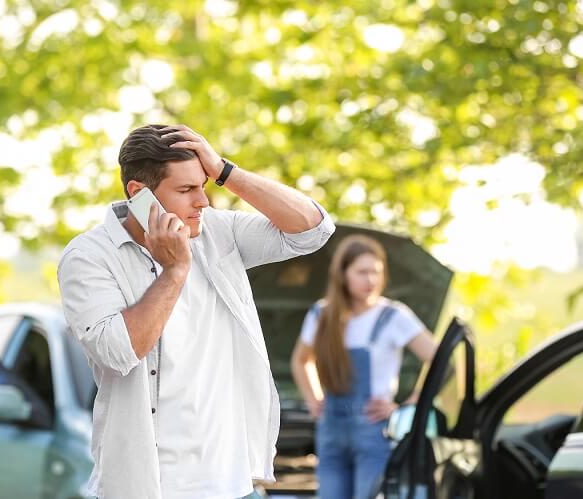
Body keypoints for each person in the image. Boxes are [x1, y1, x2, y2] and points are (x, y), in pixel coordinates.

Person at [57, 124, 335, 499]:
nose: (203, 201)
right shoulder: (88, 257)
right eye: (187, 190)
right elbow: (117, 352)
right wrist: (174, 271)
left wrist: (224, 171)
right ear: (140, 195)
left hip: (236, 486)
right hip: (152, 488)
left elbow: (313, 230)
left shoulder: (217, 232)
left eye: (203, 186)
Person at [290, 234, 437, 499]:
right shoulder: (321, 315)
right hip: (330, 431)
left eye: (376, 272)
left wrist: (408, 406)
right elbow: (301, 360)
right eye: (362, 272)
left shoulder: (393, 316)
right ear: (343, 274)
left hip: (374, 433)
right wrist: (314, 401)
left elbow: (441, 362)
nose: (370, 280)